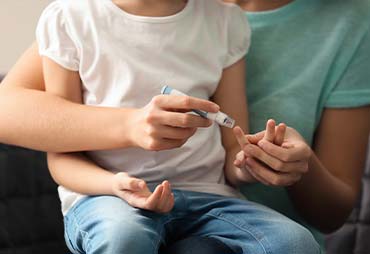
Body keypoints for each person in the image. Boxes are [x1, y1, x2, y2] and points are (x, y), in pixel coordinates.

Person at [0, 0, 369, 252]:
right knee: (125, 236)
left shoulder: (224, 26)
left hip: (215, 203)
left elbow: (330, 208)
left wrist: (264, 162)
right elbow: (20, 119)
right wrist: (127, 133)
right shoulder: (77, 18)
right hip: (116, 201)